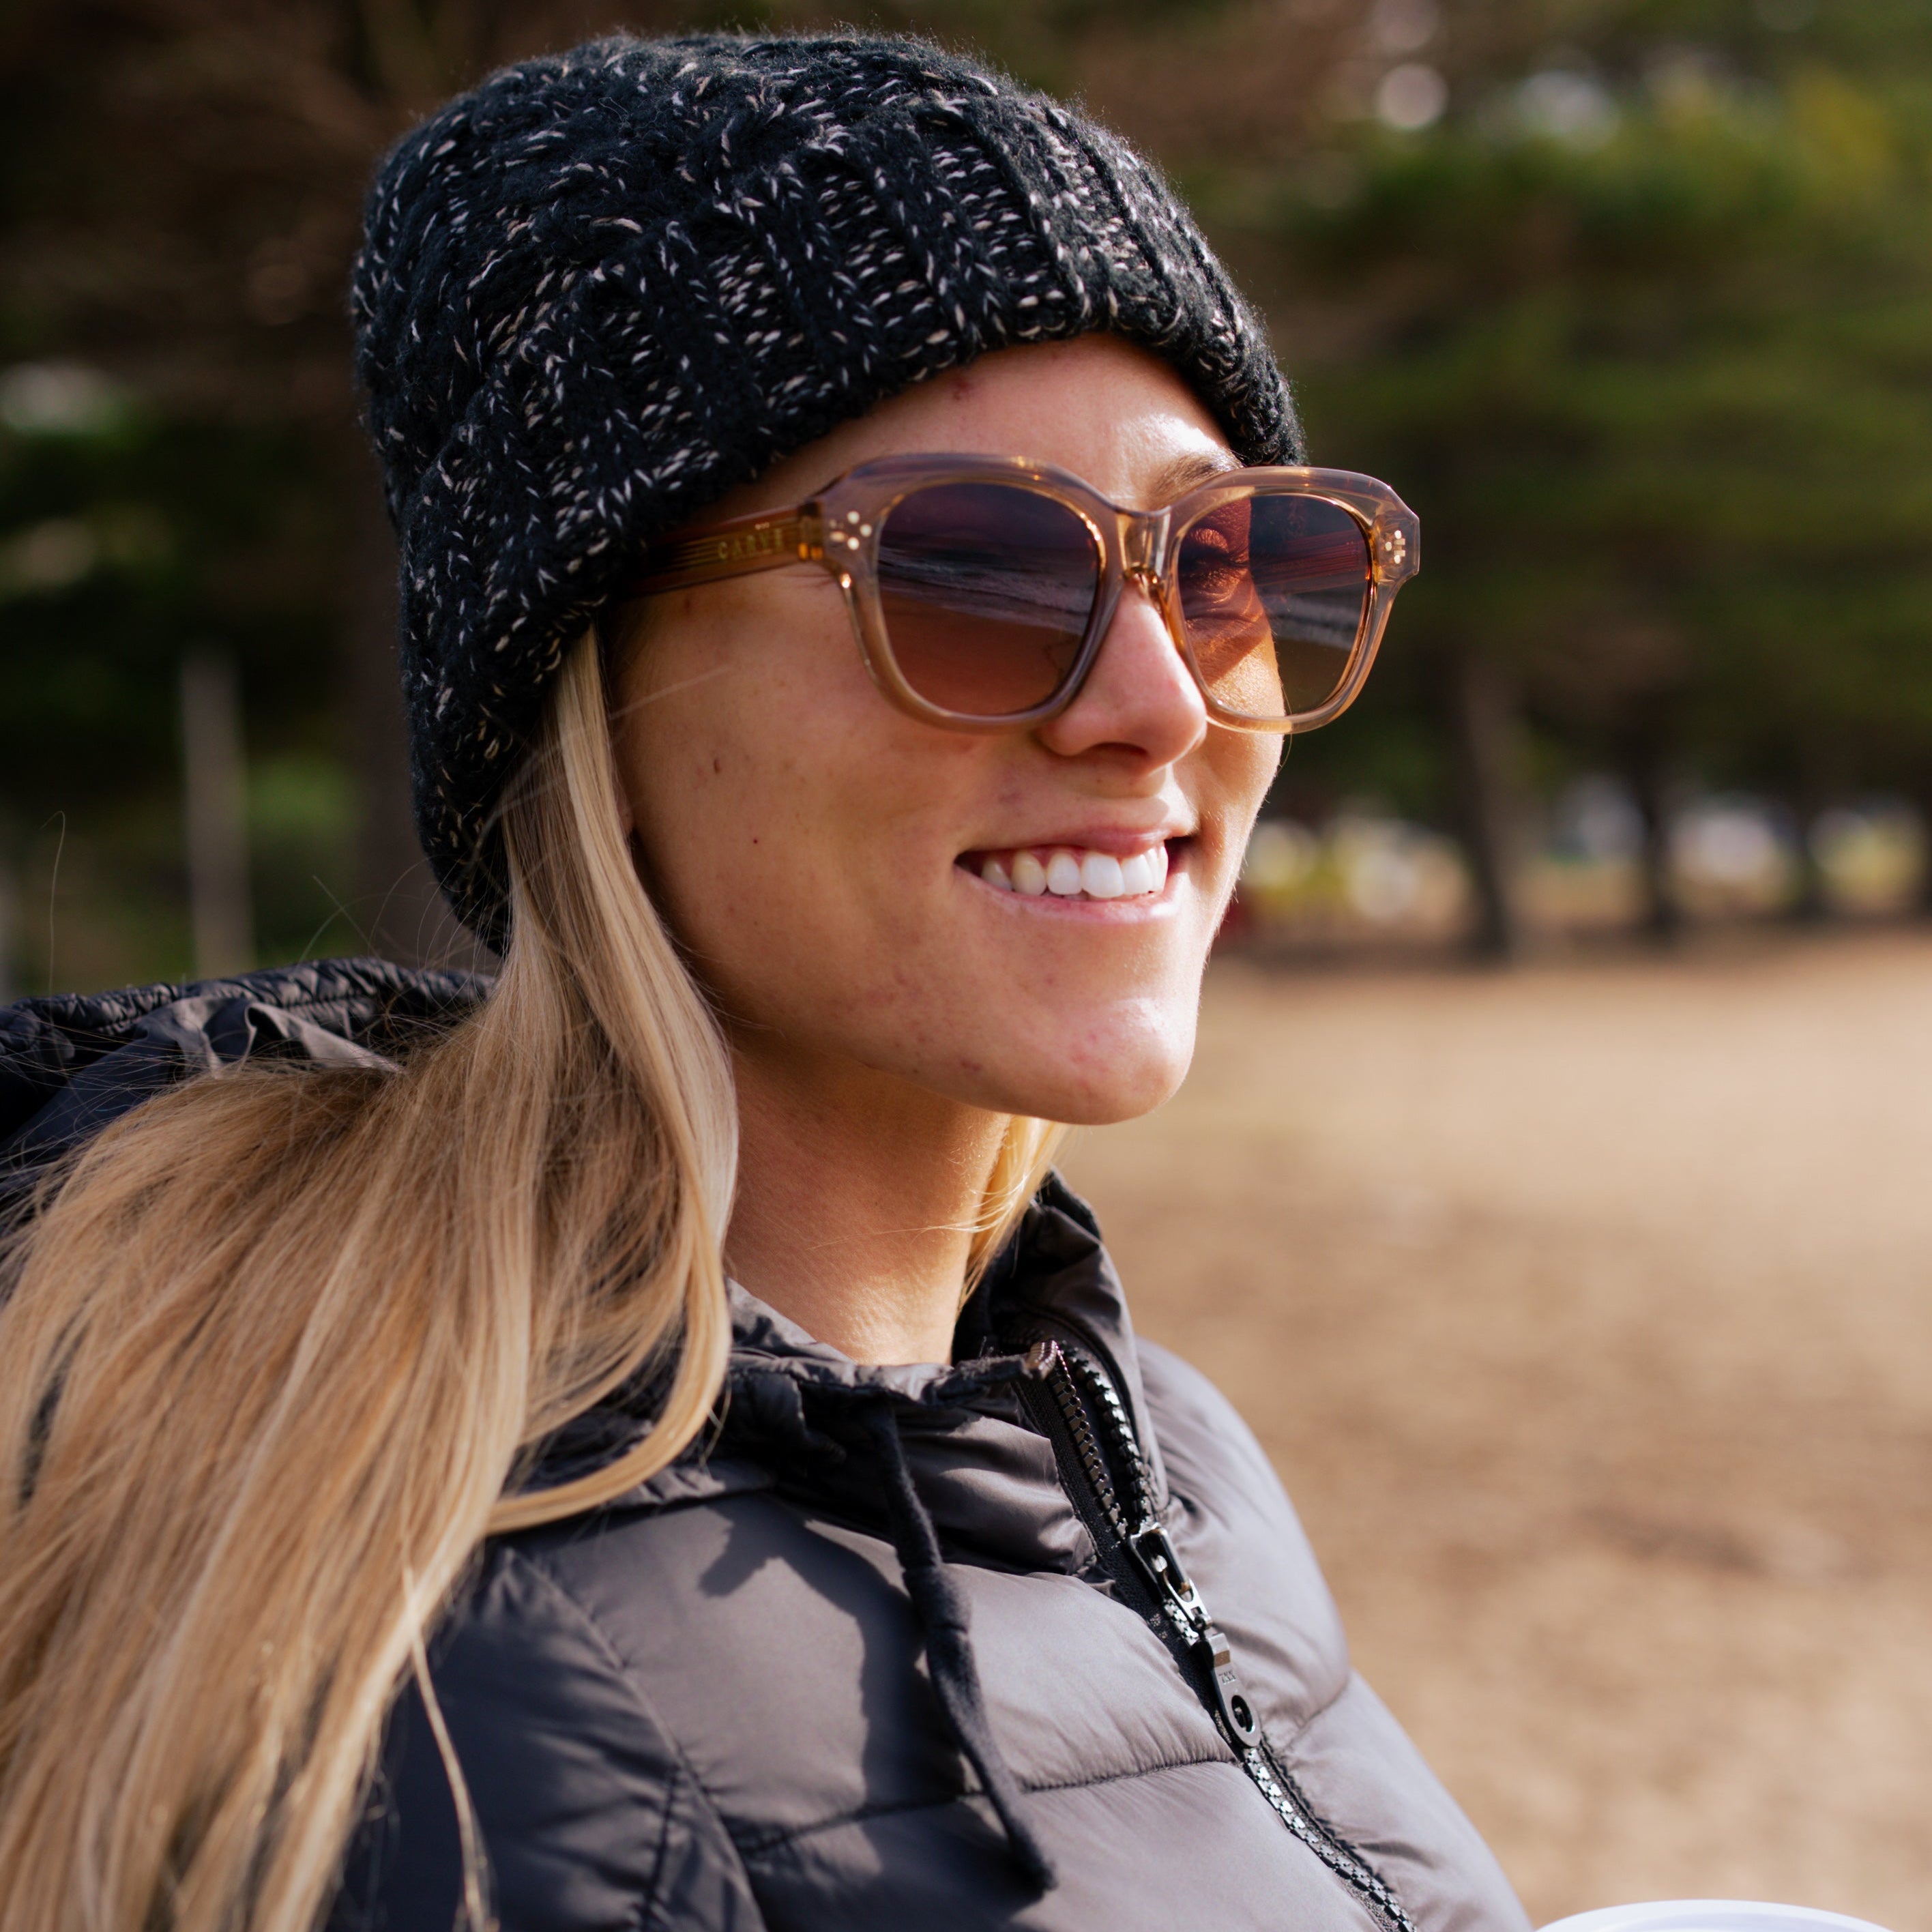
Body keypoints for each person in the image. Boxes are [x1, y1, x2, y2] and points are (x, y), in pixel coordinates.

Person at [0, 32, 1521, 1932]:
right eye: (977, 568)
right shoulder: (469, 1703)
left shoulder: (1145, 1445)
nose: (1157, 703)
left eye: (1232, 563)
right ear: (597, 703)